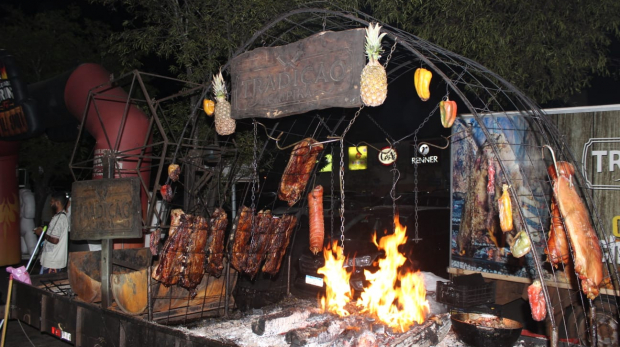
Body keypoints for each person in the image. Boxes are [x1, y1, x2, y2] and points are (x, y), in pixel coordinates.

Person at [34, 191, 70, 274]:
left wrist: (42, 233)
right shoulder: (58, 217)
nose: (50, 203)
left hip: (52, 263)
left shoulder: (60, 218)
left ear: (57, 203)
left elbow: (55, 240)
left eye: (52, 201)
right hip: (51, 261)